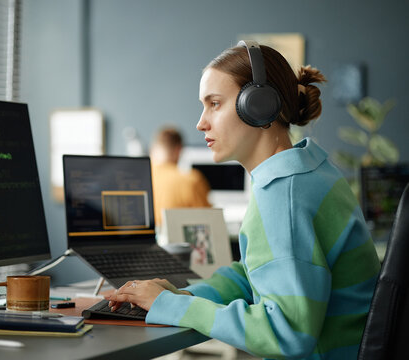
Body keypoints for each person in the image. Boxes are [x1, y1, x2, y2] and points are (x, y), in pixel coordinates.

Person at [106, 41, 381, 359]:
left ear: (259, 105)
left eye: (214, 103)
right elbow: (253, 273)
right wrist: (179, 296)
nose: (201, 122)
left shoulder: (284, 197)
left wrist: (174, 306)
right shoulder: (308, 171)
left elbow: (286, 334)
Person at [149, 126, 211, 226]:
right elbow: (209, 221)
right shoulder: (191, 180)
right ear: (179, 150)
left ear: (153, 149)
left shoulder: (140, 179)